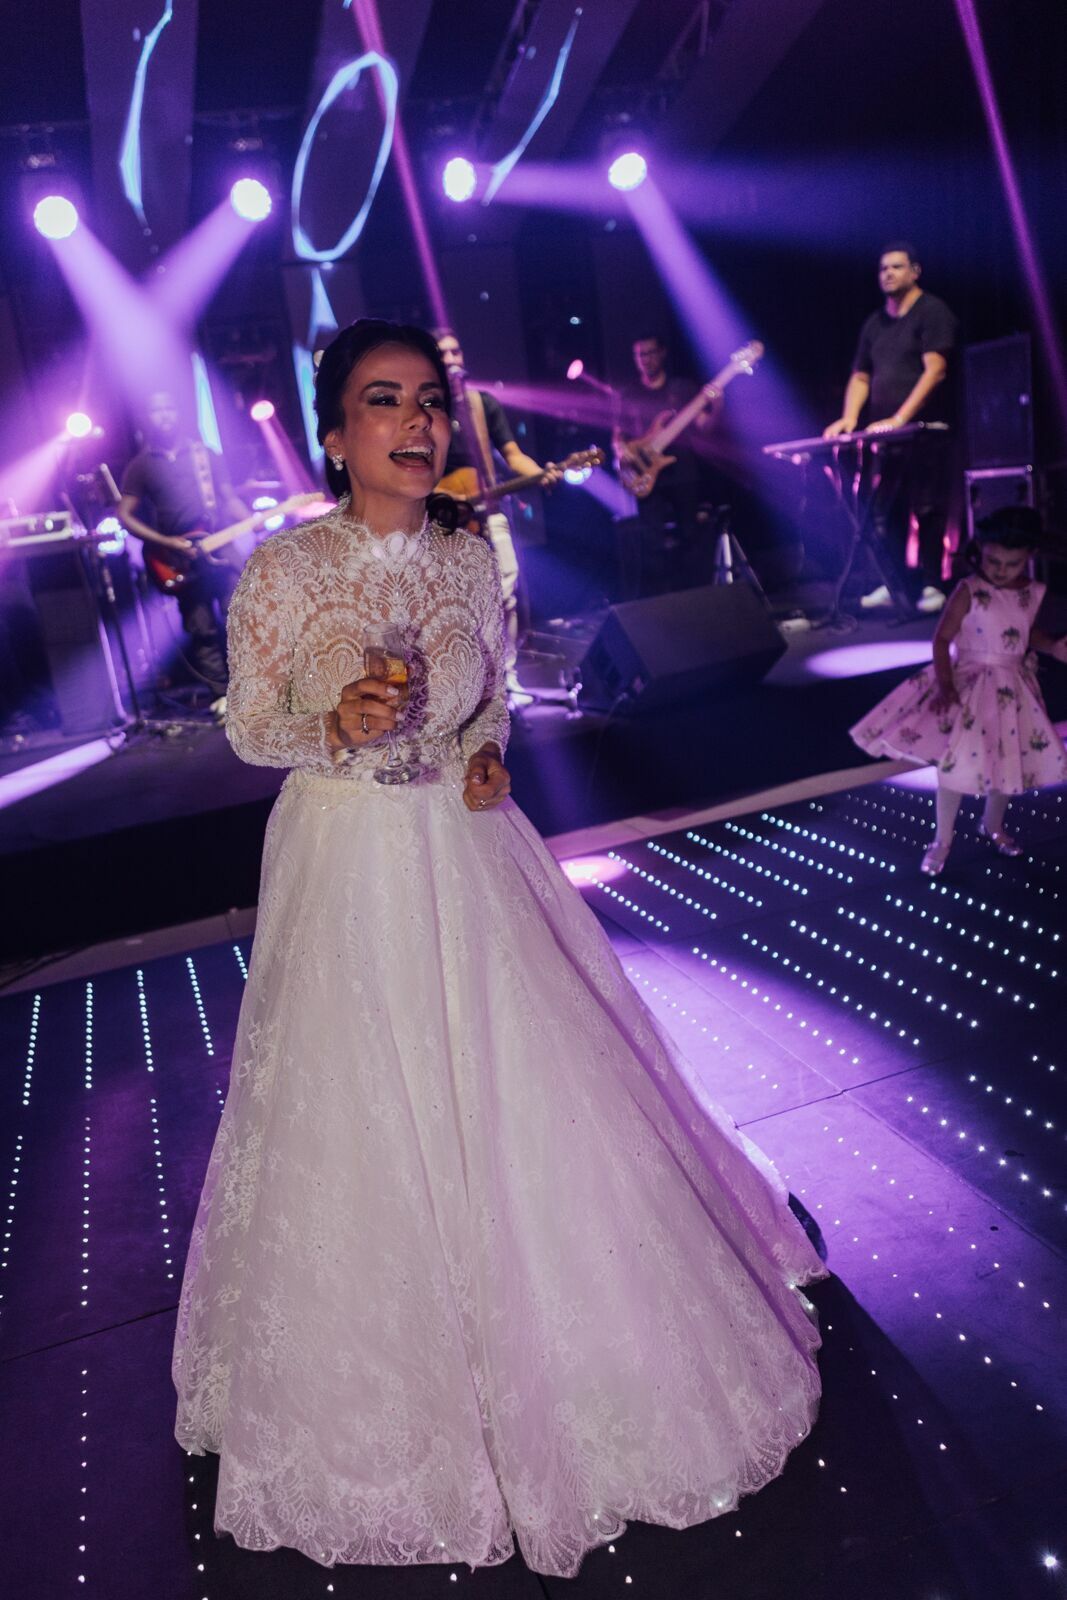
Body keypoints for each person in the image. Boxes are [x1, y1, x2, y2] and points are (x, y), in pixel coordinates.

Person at [172, 318, 825, 1578]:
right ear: (333, 433)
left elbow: (494, 706)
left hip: (470, 861)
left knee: (534, 1104)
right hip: (345, 860)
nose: (416, 425)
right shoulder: (285, 573)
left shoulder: (475, 563)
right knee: (360, 1119)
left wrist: (483, 756)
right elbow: (249, 725)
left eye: (427, 402)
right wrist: (329, 718)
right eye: (383, 403)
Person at [850, 505, 1067, 874]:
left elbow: (1026, 634)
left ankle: (993, 825)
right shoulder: (971, 590)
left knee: (1007, 761)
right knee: (955, 766)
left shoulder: (1032, 592)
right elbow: (942, 638)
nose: (1000, 570)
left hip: (1013, 690)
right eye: (993, 560)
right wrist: (946, 684)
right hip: (973, 686)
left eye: (1010, 564)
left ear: (1028, 558)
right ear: (981, 550)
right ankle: (942, 839)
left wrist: (1054, 646)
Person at [824, 242, 958, 614]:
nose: (888, 274)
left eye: (896, 267)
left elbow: (936, 370)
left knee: (928, 507)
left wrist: (901, 418)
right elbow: (861, 375)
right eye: (883, 268)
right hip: (888, 435)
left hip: (926, 430)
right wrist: (850, 418)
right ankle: (894, 581)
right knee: (885, 509)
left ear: (915, 271)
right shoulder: (874, 323)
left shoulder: (932, 312)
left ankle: (933, 583)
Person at [118, 391, 258, 717]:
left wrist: (251, 521)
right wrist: (164, 543)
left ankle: (255, 690)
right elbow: (124, 515)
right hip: (178, 556)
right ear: (147, 418)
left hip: (218, 546)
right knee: (201, 628)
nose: (164, 415)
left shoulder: (205, 455)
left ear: (178, 413)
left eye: (170, 408)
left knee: (242, 617)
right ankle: (222, 696)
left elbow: (227, 497)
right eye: (157, 410)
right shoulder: (140, 466)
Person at [434, 327, 558, 694]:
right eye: (443, 354)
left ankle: (508, 677)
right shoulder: (425, 410)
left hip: (489, 512)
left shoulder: (481, 404)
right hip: (444, 520)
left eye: (456, 352)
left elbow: (513, 454)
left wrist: (540, 473)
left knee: (506, 591)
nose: (453, 359)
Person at [612, 331, 720, 598]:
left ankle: (696, 598)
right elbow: (618, 436)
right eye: (639, 355)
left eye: (649, 353)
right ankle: (661, 603)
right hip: (647, 473)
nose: (645, 359)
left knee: (691, 537)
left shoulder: (681, 389)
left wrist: (717, 405)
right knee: (651, 543)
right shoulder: (629, 394)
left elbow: (704, 427)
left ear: (662, 353)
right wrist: (623, 453)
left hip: (683, 471)